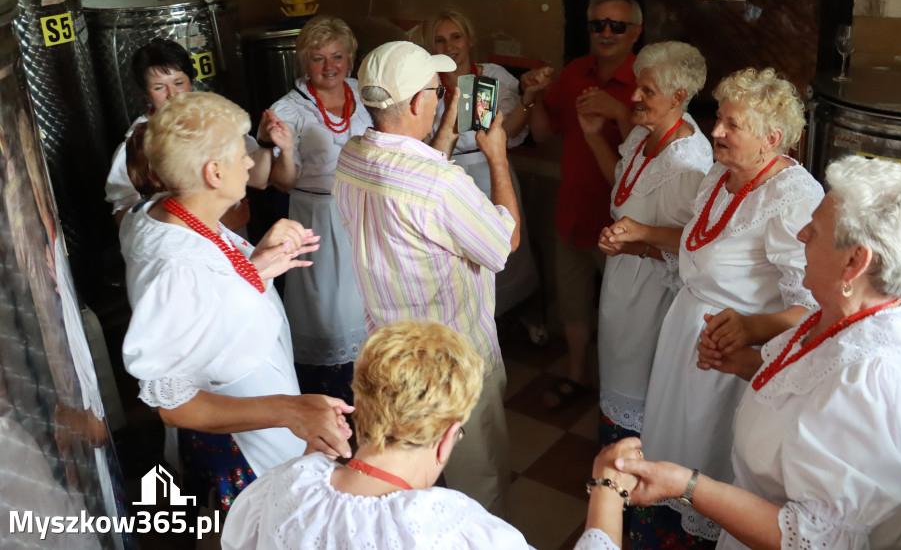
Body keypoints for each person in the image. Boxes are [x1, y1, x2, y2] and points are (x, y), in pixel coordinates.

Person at [615, 155, 901, 550]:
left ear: (855, 262)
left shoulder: (874, 380)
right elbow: (815, 389)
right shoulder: (887, 304)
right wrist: (746, 365)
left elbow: (817, 539)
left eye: (816, 230)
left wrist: (688, 486)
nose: (802, 235)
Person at [605, 67, 823, 547]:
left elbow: (813, 308)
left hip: (728, 360)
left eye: (732, 125)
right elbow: (697, 243)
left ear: (771, 138)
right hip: (682, 339)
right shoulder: (718, 176)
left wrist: (750, 327)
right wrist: (642, 235)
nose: (716, 132)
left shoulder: (794, 197)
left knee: (707, 459)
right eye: (718, 118)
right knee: (670, 445)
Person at [119, 91, 353, 510]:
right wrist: (290, 411)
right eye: (240, 152)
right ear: (213, 172)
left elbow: (210, 301)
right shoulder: (177, 267)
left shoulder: (168, 211)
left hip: (265, 408)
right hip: (247, 438)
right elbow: (175, 403)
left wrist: (256, 263)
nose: (249, 161)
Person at [222, 321, 640, 549]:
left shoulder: (283, 485)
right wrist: (607, 489)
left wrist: (310, 460)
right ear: (447, 437)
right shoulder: (454, 532)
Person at [334, 40, 519, 517]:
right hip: (453, 359)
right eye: (438, 91)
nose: (440, 97)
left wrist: (447, 127)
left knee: (409, 483)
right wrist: (497, 156)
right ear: (418, 102)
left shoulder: (352, 155)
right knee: (477, 479)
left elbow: (416, 172)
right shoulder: (442, 185)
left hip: (392, 356)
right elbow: (504, 243)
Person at [580, 42, 713, 447]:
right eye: (638, 85)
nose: (634, 97)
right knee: (618, 373)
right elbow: (622, 189)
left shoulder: (687, 164)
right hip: (624, 281)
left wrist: (635, 244)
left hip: (654, 295)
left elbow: (692, 249)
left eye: (647, 91)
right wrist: (592, 137)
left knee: (639, 387)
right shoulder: (643, 134)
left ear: (678, 97)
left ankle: (634, 486)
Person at [527, 0, 643, 409]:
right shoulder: (576, 71)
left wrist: (619, 111)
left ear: (636, 33)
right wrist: (536, 96)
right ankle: (577, 376)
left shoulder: (644, 82)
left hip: (623, 221)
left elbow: (654, 149)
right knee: (573, 304)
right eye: (598, 25)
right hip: (573, 209)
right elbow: (542, 134)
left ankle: (621, 391)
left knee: (623, 315)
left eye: (617, 25)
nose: (607, 33)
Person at [268, 16, 373, 405]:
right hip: (317, 217)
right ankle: (331, 402)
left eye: (337, 56)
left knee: (367, 300)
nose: (329, 67)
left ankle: (371, 391)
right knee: (327, 310)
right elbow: (282, 182)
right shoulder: (288, 109)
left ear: (350, 58)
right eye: (317, 58)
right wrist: (288, 150)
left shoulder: (363, 93)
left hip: (362, 210)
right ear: (303, 62)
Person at [429, 9, 543, 338]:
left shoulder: (489, 76)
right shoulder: (429, 86)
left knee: (508, 245)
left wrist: (529, 99)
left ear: (470, 41)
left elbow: (513, 129)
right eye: (440, 39)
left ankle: (513, 315)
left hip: (494, 169)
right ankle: (473, 325)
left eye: (456, 37)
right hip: (451, 177)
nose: (449, 46)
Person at [104, 38, 287, 226]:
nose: (172, 94)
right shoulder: (137, 143)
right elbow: (124, 213)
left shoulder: (216, 119)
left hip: (231, 238)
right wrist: (206, 225)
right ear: (145, 93)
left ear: (190, 81)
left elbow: (258, 180)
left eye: (178, 83)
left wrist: (265, 143)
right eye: (159, 88)